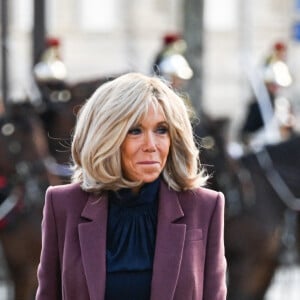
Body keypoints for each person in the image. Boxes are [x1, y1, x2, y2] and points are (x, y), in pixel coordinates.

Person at [36, 72, 227, 300]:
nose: (151, 145)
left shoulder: (205, 206)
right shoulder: (63, 204)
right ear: (106, 136)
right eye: (135, 131)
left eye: (161, 130)